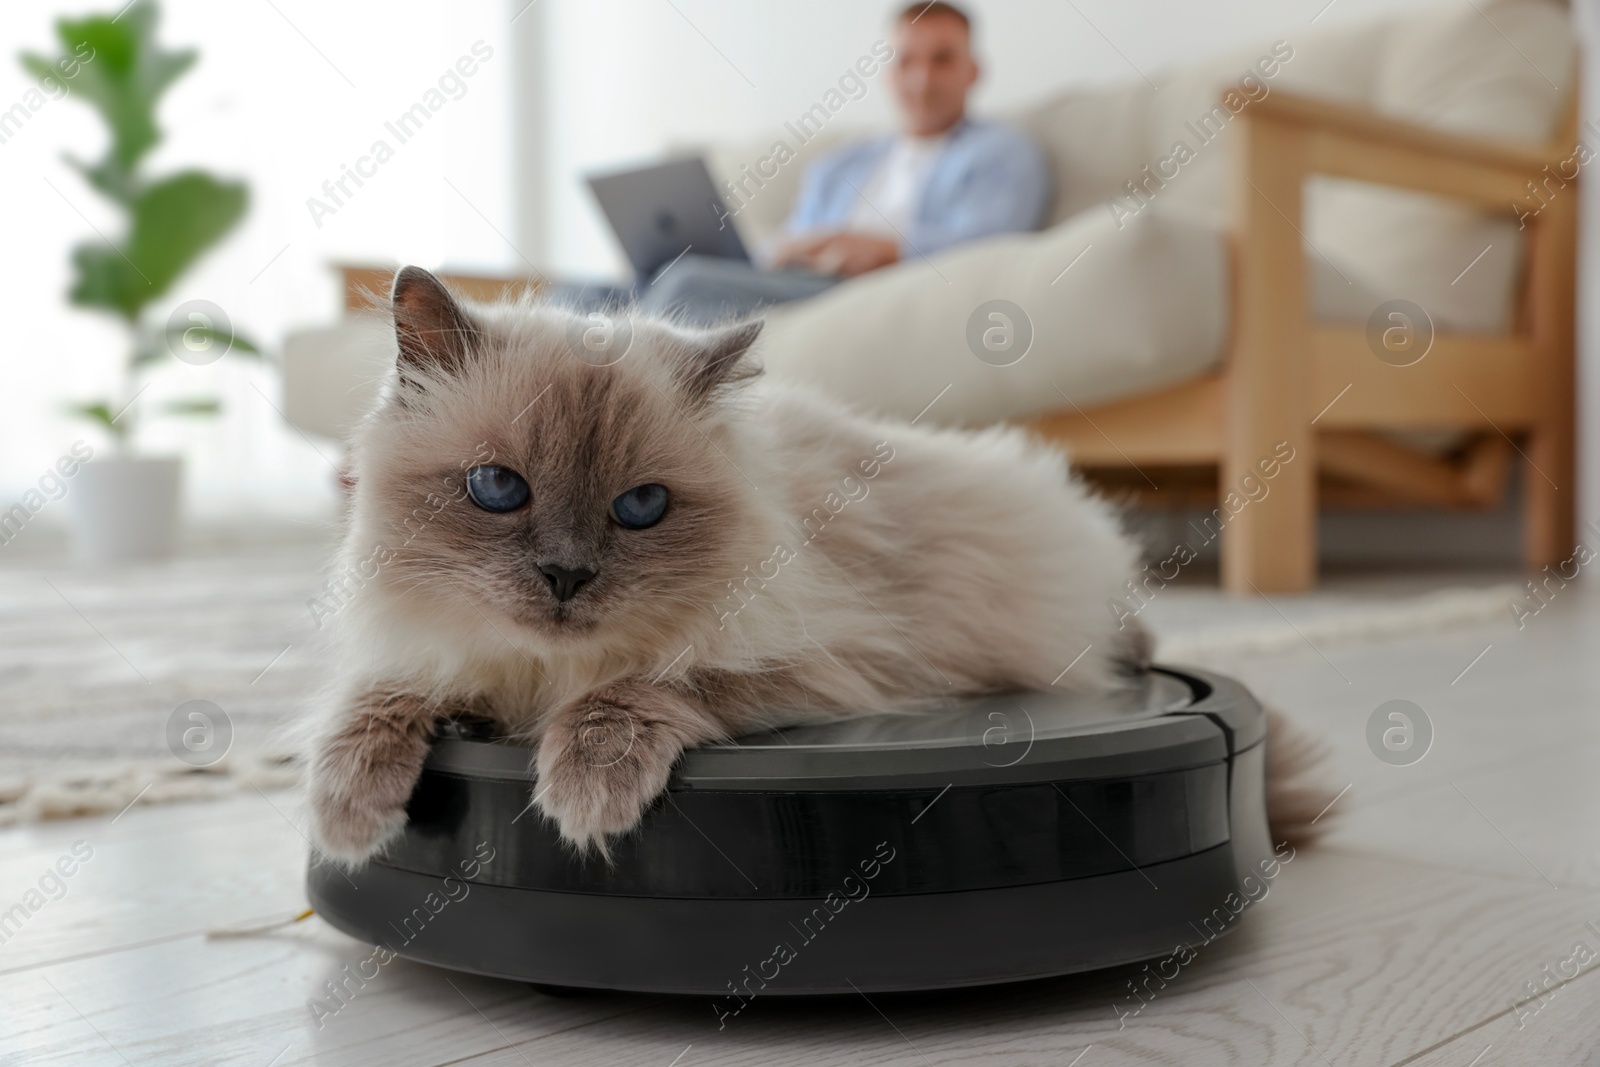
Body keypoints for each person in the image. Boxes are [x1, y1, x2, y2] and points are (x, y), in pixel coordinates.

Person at [632, 1, 1052, 322]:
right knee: (589, 293)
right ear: (887, 73)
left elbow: (992, 244)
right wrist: (819, 246)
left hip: (865, 291)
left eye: (942, 59)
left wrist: (882, 248)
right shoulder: (839, 165)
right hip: (800, 278)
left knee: (685, 283)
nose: (922, 79)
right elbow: (784, 249)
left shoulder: (1004, 152)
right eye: (906, 61)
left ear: (974, 70)